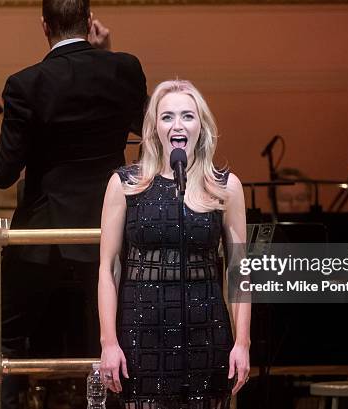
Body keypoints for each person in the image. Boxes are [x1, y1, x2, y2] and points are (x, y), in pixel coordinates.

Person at [0, 0, 147, 407]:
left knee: (3, 337)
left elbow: (1, 172)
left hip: (43, 237)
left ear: (43, 25)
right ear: (89, 22)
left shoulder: (25, 83)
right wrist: (107, 55)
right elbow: (146, 126)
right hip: (108, 230)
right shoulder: (124, 67)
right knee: (111, 337)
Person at [98, 80, 251, 408]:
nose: (178, 125)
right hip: (142, 329)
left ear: (201, 126)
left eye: (187, 116)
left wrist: (243, 342)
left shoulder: (226, 187)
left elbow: (239, 271)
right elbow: (109, 268)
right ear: (154, 128)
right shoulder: (125, 184)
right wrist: (108, 341)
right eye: (167, 117)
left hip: (205, 329)